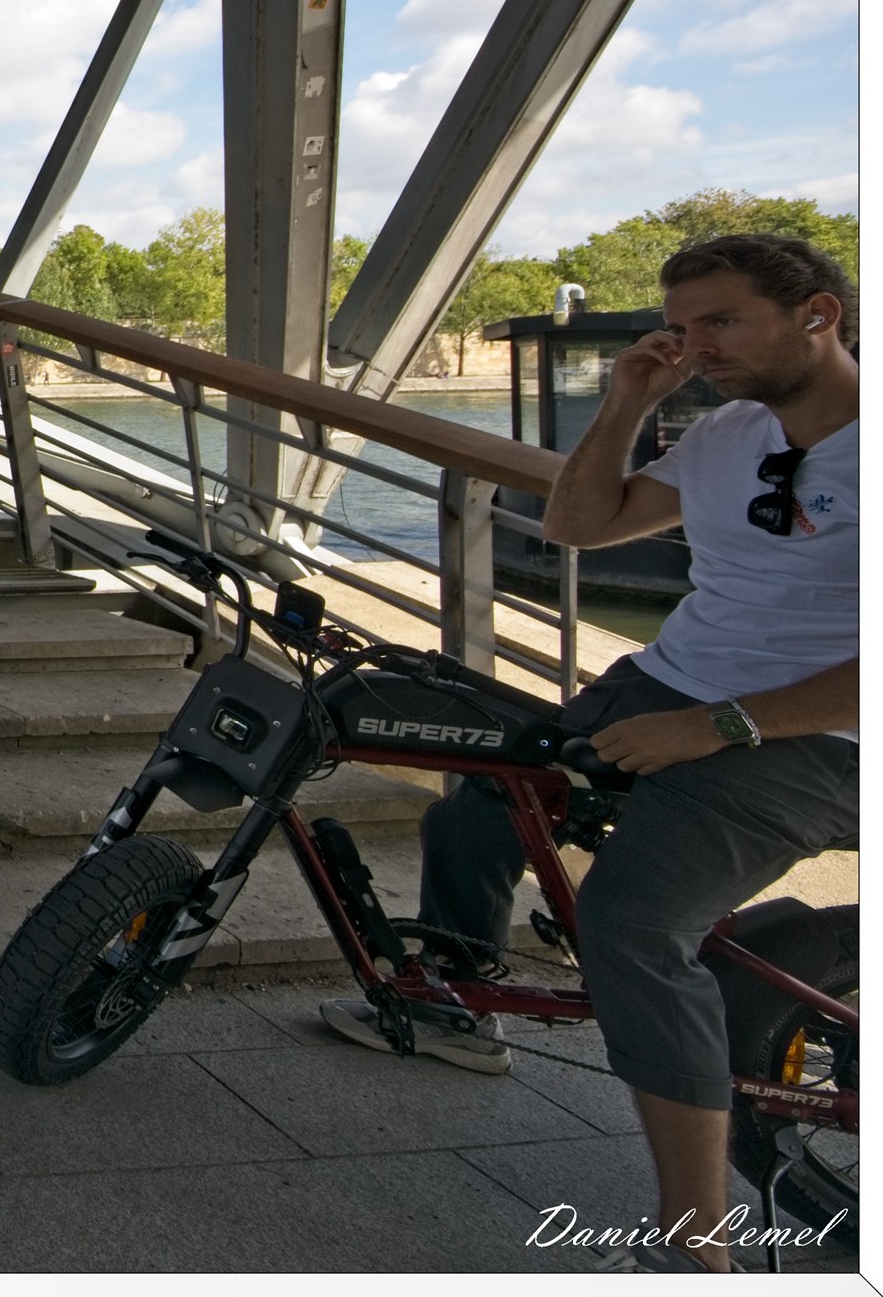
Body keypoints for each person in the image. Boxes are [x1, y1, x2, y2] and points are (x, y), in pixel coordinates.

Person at [320, 233, 857, 1273]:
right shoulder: (726, 430)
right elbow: (578, 523)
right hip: (673, 678)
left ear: (818, 315)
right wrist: (628, 404)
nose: (697, 345)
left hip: (819, 735)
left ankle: (693, 1249)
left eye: (723, 322)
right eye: (685, 324)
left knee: (634, 923)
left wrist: (717, 727)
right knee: (479, 803)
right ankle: (456, 1005)